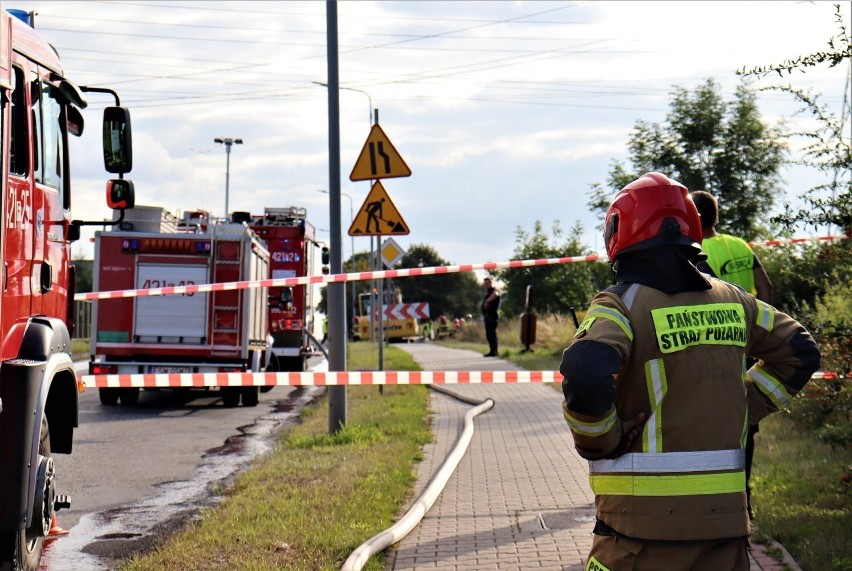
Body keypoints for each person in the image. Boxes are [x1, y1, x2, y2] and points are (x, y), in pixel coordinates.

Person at [559, 172, 820, 570]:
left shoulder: (621, 305)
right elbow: (800, 351)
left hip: (636, 533)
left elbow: (584, 369)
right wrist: (746, 404)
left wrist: (602, 441)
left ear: (619, 233)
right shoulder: (736, 301)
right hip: (726, 530)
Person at [691, 189, 773, 519]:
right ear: (717, 216)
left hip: (713, 346)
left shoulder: (697, 251)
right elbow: (765, 288)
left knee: (708, 420)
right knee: (744, 419)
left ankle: (715, 498)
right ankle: (745, 495)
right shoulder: (739, 246)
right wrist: (761, 330)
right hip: (747, 344)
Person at [481, 277, 500, 357]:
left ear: (490, 283)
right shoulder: (487, 292)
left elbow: (496, 294)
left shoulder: (494, 291)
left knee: (492, 334)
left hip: (492, 316)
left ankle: (495, 351)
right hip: (487, 316)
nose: (486, 285)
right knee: (489, 335)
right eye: (485, 283)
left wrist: (487, 301)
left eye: (487, 283)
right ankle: (492, 351)